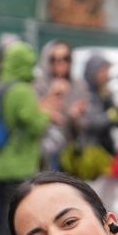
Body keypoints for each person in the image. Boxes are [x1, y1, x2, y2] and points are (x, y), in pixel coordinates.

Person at [0, 40, 53, 235]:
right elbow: (34, 123)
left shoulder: (0, 86)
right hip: (19, 165)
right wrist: (45, 114)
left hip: (0, 163)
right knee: (16, 224)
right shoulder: (22, 91)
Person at [68, 52, 118, 208]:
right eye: (103, 70)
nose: (107, 75)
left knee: (108, 203)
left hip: (108, 155)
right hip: (91, 157)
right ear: (92, 72)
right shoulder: (85, 93)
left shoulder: (105, 92)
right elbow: (94, 123)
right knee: (93, 202)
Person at [36, 41, 90, 173]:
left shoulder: (79, 85)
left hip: (70, 150)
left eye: (66, 58)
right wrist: (51, 96)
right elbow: (32, 116)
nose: (60, 63)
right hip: (43, 151)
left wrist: (74, 116)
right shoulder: (38, 85)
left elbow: (87, 123)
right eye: (54, 59)